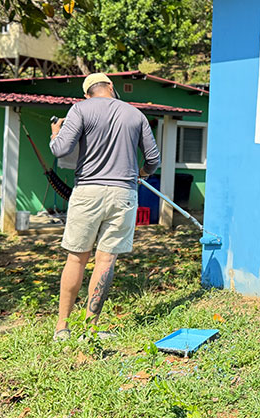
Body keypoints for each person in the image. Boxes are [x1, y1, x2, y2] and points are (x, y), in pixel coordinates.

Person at [48, 73, 161, 340]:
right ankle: (91, 327)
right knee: (106, 260)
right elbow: (153, 158)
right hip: (123, 193)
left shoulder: (80, 109)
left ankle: (62, 328)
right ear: (111, 87)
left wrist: (55, 134)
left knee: (77, 257)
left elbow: (61, 149)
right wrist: (141, 173)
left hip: (88, 192)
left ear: (87, 94)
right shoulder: (136, 115)